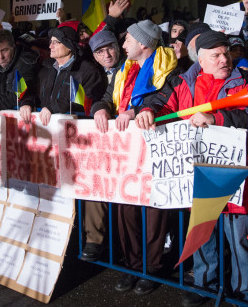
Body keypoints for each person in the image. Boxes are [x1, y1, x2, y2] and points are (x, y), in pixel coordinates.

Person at [136, 31, 248, 306]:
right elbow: (161, 103)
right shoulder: (183, 82)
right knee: (202, 233)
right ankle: (205, 284)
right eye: (216, 55)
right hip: (197, 175)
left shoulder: (247, 80)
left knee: (239, 238)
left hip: (235, 175)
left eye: (226, 54)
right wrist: (147, 110)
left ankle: (247, 291)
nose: (224, 59)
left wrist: (218, 118)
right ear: (201, 60)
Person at [91, 19, 177, 295]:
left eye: (127, 39)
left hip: (155, 150)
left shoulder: (170, 67)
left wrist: (143, 109)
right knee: (125, 209)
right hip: (126, 152)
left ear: (142, 44)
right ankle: (132, 264)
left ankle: (151, 268)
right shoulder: (124, 71)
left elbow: (168, 96)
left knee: (153, 212)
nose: (122, 44)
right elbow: (107, 97)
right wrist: (101, 109)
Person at [79, 29, 126, 262]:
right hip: (103, 142)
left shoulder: (131, 67)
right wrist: (100, 108)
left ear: (118, 48)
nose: (106, 54)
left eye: (109, 48)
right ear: (94, 56)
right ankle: (94, 240)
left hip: (129, 140)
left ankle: (126, 249)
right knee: (94, 185)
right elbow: (102, 99)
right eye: (99, 51)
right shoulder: (94, 73)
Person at [21, 25, 105, 125]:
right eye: (50, 42)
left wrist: (53, 109)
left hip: (73, 130)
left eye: (56, 42)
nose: (50, 46)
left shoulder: (88, 71)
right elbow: (33, 93)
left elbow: (87, 102)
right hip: (45, 128)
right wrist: (27, 103)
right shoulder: (46, 69)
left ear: (69, 46)